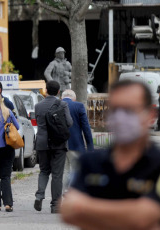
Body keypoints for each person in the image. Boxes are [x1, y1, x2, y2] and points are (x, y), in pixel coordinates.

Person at [61, 80, 160, 230]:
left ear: (151, 115)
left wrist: (87, 209)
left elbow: (146, 215)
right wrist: (135, 213)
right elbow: (68, 210)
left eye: (129, 110)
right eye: (115, 109)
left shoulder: (156, 163)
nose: (120, 118)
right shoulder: (90, 162)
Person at [34, 80, 73, 213]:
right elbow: (69, 122)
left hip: (42, 143)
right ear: (58, 92)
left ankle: (39, 195)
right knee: (57, 175)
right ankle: (55, 205)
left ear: (45, 91)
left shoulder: (38, 105)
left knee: (44, 171)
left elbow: (38, 122)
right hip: (58, 144)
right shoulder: (63, 104)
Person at [61, 89, 94, 193]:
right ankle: (71, 190)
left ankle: (64, 190)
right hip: (75, 144)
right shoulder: (78, 106)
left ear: (62, 97)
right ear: (74, 98)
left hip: (59, 145)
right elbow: (86, 128)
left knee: (64, 170)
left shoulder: (56, 106)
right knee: (75, 169)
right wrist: (90, 146)